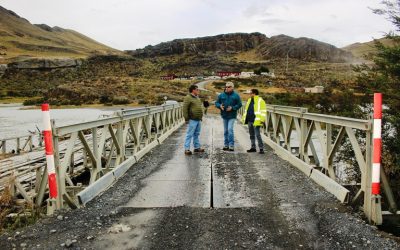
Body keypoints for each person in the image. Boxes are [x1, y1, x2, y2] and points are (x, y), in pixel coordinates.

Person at [215, 82, 242, 151]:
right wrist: (220, 106)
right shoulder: (221, 95)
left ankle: (231, 145)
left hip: (232, 115)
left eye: (229, 87)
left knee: (230, 129)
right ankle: (226, 145)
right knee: (225, 131)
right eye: (226, 87)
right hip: (224, 115)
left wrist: (232, 108)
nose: (227, 88)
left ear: (232, 87)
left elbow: (239, 104)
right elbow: (216, 103)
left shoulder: (236, 95)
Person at [242, 89, 266, 154]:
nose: (249, 94)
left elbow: (263, 111)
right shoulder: (249, 100)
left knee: (257, 135)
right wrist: (244, 118)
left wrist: (262, 119)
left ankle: (261, 149)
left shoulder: (261, 100)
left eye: (250, 93)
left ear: (254, 93)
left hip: (256, 120)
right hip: (249, 120)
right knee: (251, 135)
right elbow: (246, 110)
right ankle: (253, 148)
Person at [183, 85, 205, 155]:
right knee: (189, 134)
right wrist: (186, 118)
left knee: (197, 134)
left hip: (198, 119)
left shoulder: (197, 98)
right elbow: (185, 108)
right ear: (193, 90)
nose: (198, 91)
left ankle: (197, 148)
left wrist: (201, 117)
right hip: (192, 119)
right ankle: (187, 149)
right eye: (197, 89)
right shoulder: (188, 98)